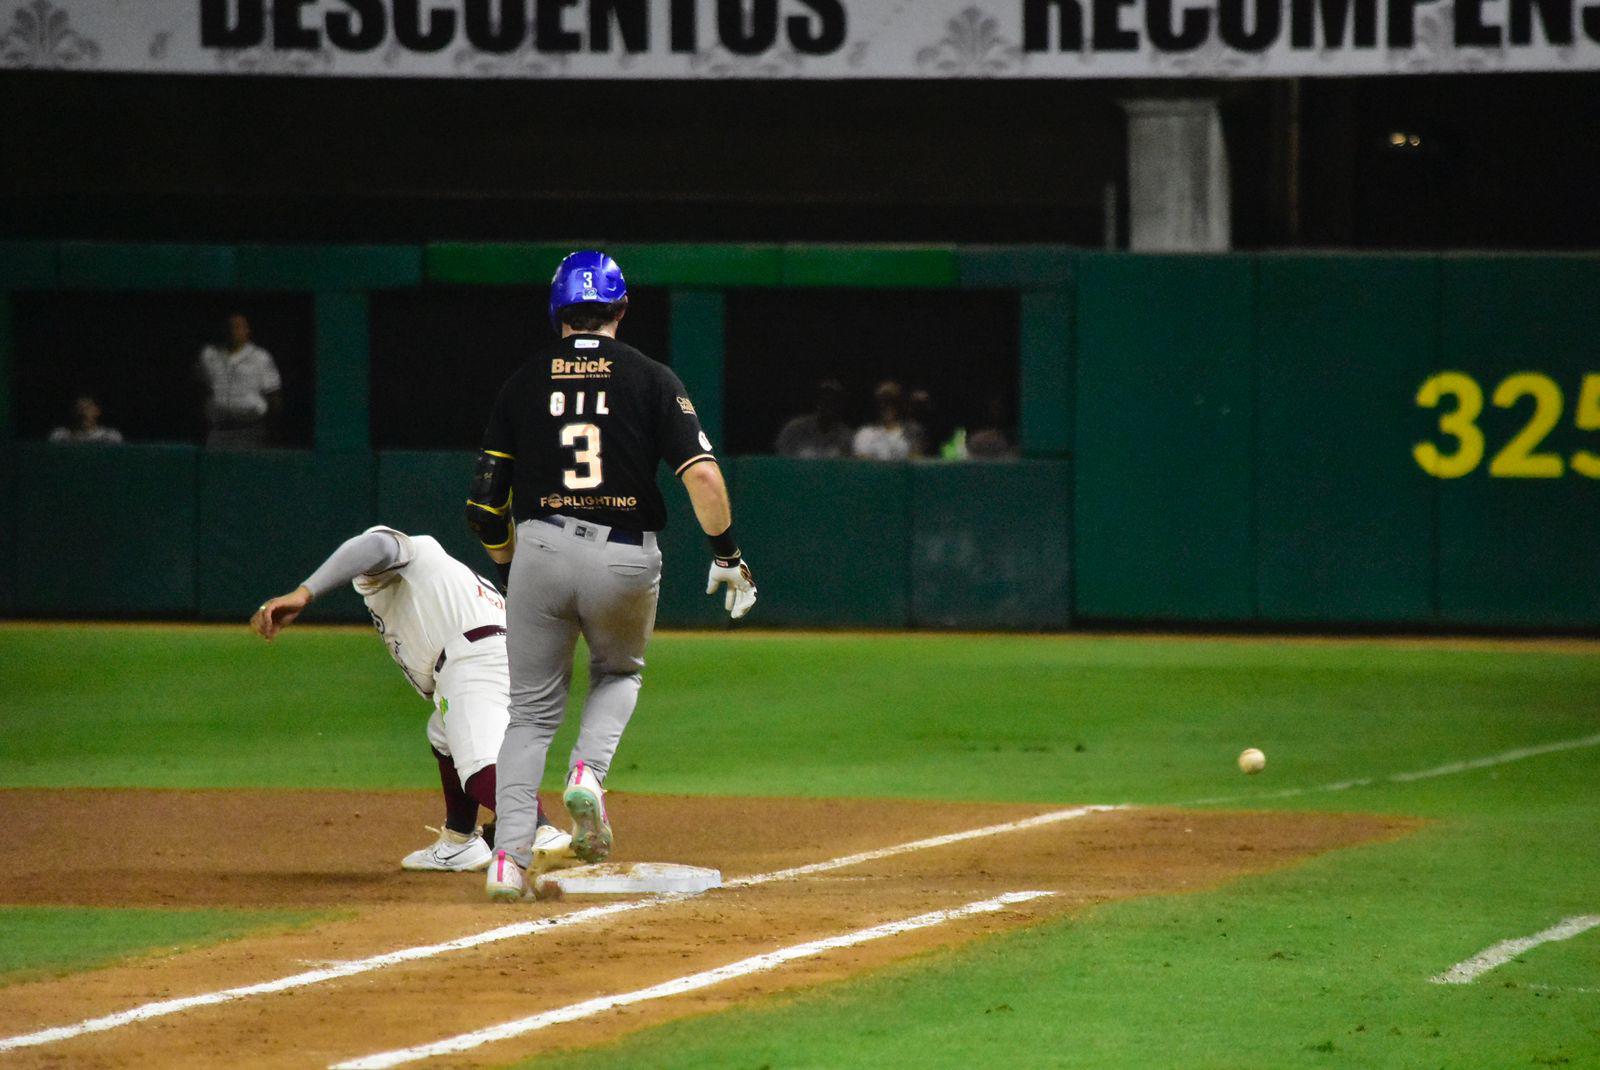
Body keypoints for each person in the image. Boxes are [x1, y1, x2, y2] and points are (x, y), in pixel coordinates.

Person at [466, 250, 757, 902]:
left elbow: (485, 505)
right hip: (624, 555)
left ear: (556, 313)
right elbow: (704, 476)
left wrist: (516, 570)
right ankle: (588, 778)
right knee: (618, 673)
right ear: (622, 310)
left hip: (540, 547)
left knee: (529, 717)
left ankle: (508, 863)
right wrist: (727, 556)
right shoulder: (652, 378)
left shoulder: (521, 382)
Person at [249, 525, 574, 874]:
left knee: (478, 765)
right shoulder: (447, 582)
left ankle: (536, 828)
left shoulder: (414, 552)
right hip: (510, 657)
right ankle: (459, 841)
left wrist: (303, 593)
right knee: (444, 734)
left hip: (475, 658)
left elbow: (375, 544)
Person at [198, 313, 282, 449]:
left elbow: (274, 395)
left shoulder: (260, 357)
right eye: (229, 327)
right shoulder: (209, 354)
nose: (233, 331)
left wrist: (273, 431)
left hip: (249, 431)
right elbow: (200, 388)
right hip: (218, 431)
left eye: (238, 327)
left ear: (247, 330)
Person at [774, 378, 853, 458]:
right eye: (824, 399)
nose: (827, 403)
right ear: (817, 401)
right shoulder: (793, 429)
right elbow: (781, 459)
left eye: (833, 400)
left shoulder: (846, 436)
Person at [851, 381, 914, 461]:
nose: (888, 406)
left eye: (892, 401)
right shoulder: (864, 434)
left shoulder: (912, 432)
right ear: (876, 404)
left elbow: (915, 462)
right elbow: (863, 465)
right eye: (883, 401)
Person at [48, 396, 123, 444]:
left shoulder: (110, 437)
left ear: (97, 411)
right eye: (79, 408)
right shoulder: (60, 436)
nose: (83, 412)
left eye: (87, 408)